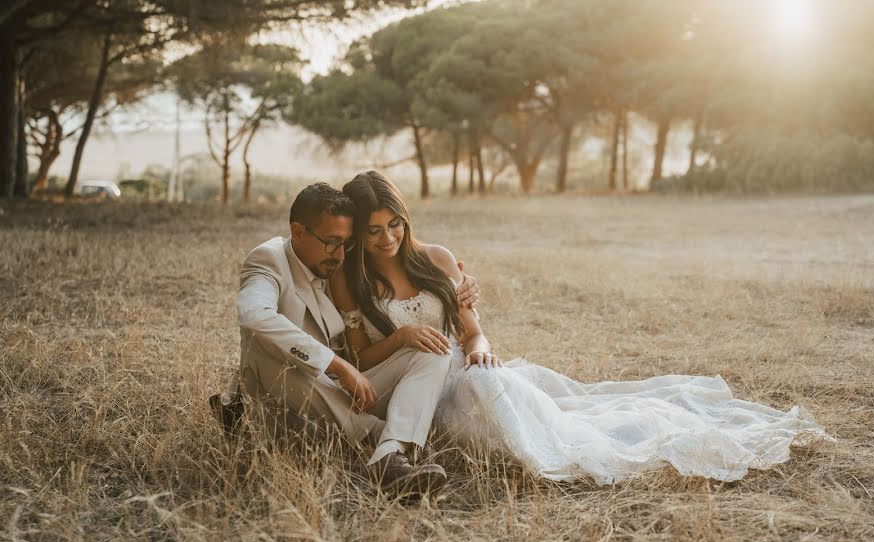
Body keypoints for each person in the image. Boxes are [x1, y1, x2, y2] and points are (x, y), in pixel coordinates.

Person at [330, 171, 829, 485]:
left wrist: (480, 348)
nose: (387, 238)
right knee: (450, 370)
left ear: (405, 219)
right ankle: (398, 457)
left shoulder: (435, 259)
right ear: (358, 233)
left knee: (493, 386)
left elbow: (473, 332)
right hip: (409, 384)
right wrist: (400, 337)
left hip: (460, 372)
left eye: (394, 224)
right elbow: (359, 363)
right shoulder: (351, 282)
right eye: (373, 231)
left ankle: (552, 452)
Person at [230, 182, 480, 496]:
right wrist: (335, 364)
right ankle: (377, 435)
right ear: (297, 231)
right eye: (332, 242)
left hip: (355, 389)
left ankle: (390, 456)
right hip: (298, 398)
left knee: (433, 348)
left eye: (347, 243)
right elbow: (254, 315)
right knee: (262, 345)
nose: (340, 254)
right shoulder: (268, 260)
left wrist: (459, 282)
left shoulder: (342, 263)